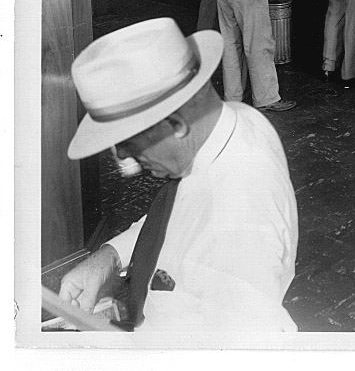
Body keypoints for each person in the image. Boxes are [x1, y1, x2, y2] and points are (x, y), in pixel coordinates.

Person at [58, 17, 299, 332]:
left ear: (176, 125)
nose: (123, 159)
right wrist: (110, 258)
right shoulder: (232, 124)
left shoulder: (239, 222)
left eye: (126, 142)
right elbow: (180, 218)